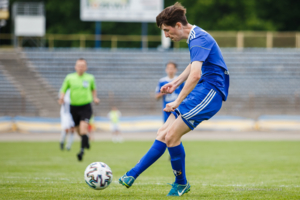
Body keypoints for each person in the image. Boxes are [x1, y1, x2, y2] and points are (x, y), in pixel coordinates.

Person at [119, 2, 230, 196]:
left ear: (178, 25)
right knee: (163, 132)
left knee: (171, 136)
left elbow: (195, 75)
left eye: (167, 30)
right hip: (202, 90)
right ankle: (132, 174)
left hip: (211, 92)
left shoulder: (199, 38)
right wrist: (176, 83)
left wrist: (177, 101)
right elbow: (193, 66)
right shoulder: (195, 37)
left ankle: (181, 183)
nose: (166, 35)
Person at [59, 58, 100, 161]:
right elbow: (63, 89)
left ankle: (81, 151)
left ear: (86, 67)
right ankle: (86, 141)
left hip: (86, 106)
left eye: (83, 66)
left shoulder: (90, 78)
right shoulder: (70, 77)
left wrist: (95, 98)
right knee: (78, 130)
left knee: (83, 128)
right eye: (79, 65)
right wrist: (61, 97)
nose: (81, 67)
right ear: (75, 67)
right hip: (74, 107)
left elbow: (93, 89)